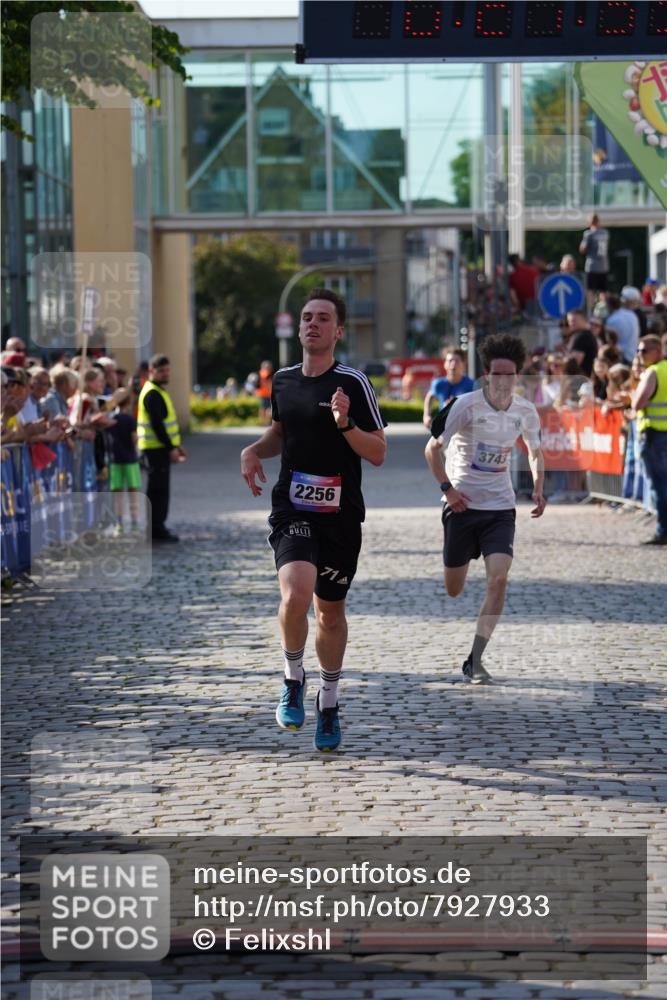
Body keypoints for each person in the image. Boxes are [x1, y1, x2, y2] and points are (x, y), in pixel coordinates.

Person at [240, 288, 386, 751]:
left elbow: (379, 452)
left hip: (341, 514)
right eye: (307, 317)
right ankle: (292, 677)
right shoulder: (282, 380)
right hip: (293, 507)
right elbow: (280, 432)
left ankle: (329, 700)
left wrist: (345, 424)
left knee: (330, 611)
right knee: (296, 592)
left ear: (338, 330)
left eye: (323, 318)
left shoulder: (354, 383)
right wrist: (252, 450)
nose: (312, 324)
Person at [424, 333, 546, 685]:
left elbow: (536, 452)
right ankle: (455, 558)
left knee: (499, 579)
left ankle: (475, 659)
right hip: (461, 507)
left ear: (517, 376)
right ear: (487, 375)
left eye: (510, 375)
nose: (503, 381)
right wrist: (448, 491)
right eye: (497, 374)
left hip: (499, 508)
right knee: (454, 588)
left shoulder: (525, 410)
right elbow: (432, 450)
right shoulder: (465, 404)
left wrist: (538, 486)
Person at [137, 353, 186, 543]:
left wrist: (176, 446)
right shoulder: (152, 393)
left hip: (158, 448)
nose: (166, 374)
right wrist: (170, 448)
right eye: (161, 371)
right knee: (157, 490)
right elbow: (157, 425)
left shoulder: (158, 391)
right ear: (151, 371)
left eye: (167, 370)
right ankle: (155, 528)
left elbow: (166, 424)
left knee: (159, 489)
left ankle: (157, 527)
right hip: (154, 449)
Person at [632, 335, 667, 545]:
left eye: (643, 351)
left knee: (659, 486)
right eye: (638, 351)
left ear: (657, 351)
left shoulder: (653, 372)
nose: (639, 355)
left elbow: (638, 403)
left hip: (654, 435)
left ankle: (663, 531)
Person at [107, 390, 141, 534]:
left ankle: (119, 524)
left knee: (118, 495)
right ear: (128, 402)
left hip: (115, 460)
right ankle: (134, 524)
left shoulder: (111, 419)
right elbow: (134, 439)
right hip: (130, 461)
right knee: (133, 494)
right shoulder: (130, 419)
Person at [422, 348, 475, 430]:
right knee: (432, 442)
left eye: (457, 361)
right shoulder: (438, 384)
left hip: (464, 430)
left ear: (463, 364)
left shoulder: (471, 385)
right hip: (444, 428)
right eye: (450, 361)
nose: (453, 364)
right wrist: (426, 416)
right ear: (445, 364)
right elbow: (430, 396)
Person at [579, 212, 609, 312]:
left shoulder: (589, 234)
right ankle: (603, 310)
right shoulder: (605, 233)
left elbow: (583, 249)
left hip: (592, 266)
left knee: (590, 291)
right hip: (604, 266)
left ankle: (590, 310)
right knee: (603, 291)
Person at [605, 294, 640, 363]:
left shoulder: (611, 320)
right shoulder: (632, 314)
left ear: (609, 306)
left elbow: (611, 340)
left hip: (622, 356)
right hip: (634, 354)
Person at [564, 309, 598, 377]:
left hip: (580, 379)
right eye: (569, 321)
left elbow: (574, 363)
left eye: (574, 320)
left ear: (583, 320)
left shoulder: (581, 337)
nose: (571, 323)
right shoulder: (588, 335)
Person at [256, 360, 274, 425]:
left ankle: (263, 422)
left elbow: (257, 385)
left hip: (263, 394)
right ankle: (266, 422)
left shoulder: (259, 374)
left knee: (263, 408)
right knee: (268, 409)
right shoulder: (268, 374)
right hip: (267, 394)